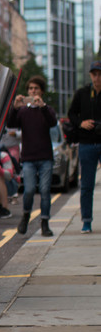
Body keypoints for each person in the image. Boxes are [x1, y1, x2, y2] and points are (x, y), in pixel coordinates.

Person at [7, 75, 58, 236]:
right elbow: (10, 124)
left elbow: (53, 122)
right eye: (30, 89)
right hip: (28, 158)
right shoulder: (23, 111)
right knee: (28, 190)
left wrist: (42, 106)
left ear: (41, 92)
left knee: (44, 191)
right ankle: (26, 215)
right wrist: (14, 108)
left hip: (45, 158)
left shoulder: (47, 109)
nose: (32, 91)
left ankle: (44, 223)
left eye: (36, 88)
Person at [66, 60, 101, 233]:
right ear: (90, 75)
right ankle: (86, 221)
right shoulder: (82, 93)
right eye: (94, 74)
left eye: (100, 74)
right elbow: (71, 113)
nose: (97, 77)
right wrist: (81, 122)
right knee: (86, 185)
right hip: (86, 144)